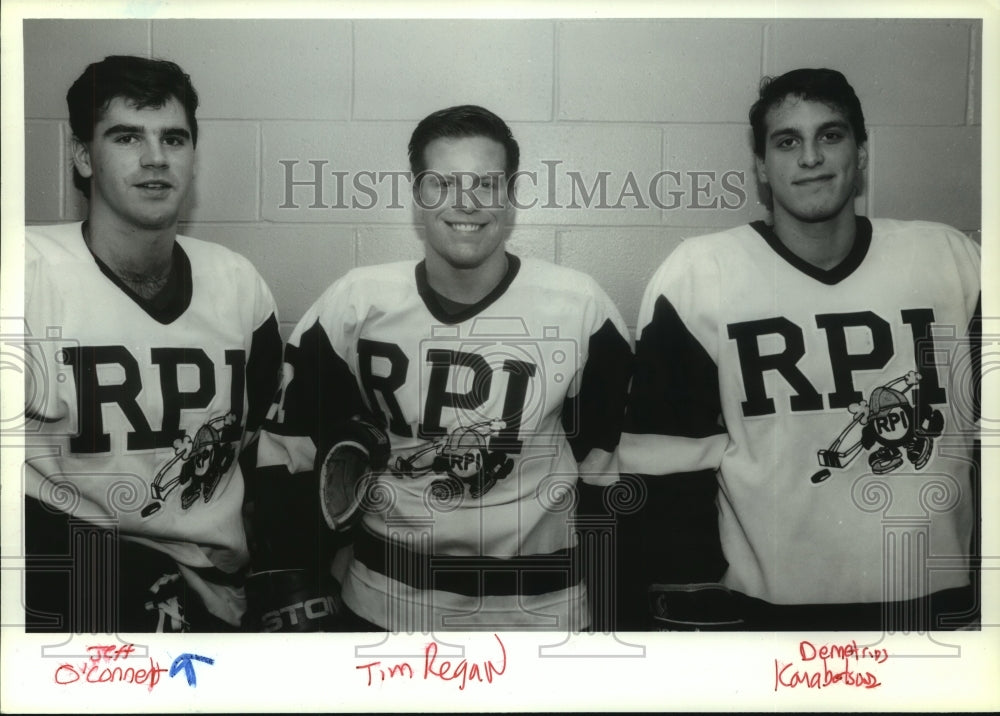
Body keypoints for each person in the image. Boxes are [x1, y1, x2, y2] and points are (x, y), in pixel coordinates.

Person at [618, 68, 981, 631]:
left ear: (861, 153)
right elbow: (663, 462)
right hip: (767, 611)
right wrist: (691, 608)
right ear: (762, 165)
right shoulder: (701, 272)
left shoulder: (952, 260)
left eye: (830, 136)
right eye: (788, 141)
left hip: (936, 602)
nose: (810, 157)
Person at [251, 104, 633, 632]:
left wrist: (617, 598)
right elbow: (288, 452)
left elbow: (605, 466)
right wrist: (301, 570)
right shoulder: (357, 303)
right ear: (416, 194)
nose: (466, 203)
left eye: (486, 183)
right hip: (383, 605)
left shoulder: (579, 307)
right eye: (442, 183)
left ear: (511, 194)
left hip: (542, 613)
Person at [23, 55, 283, 632]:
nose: (155, 158)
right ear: (84, 157)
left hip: (215, 599)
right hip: (72, 593)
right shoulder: (24, 273)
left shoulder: (238, 284)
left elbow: (253, 445)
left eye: (174, 137)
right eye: (126, 137)